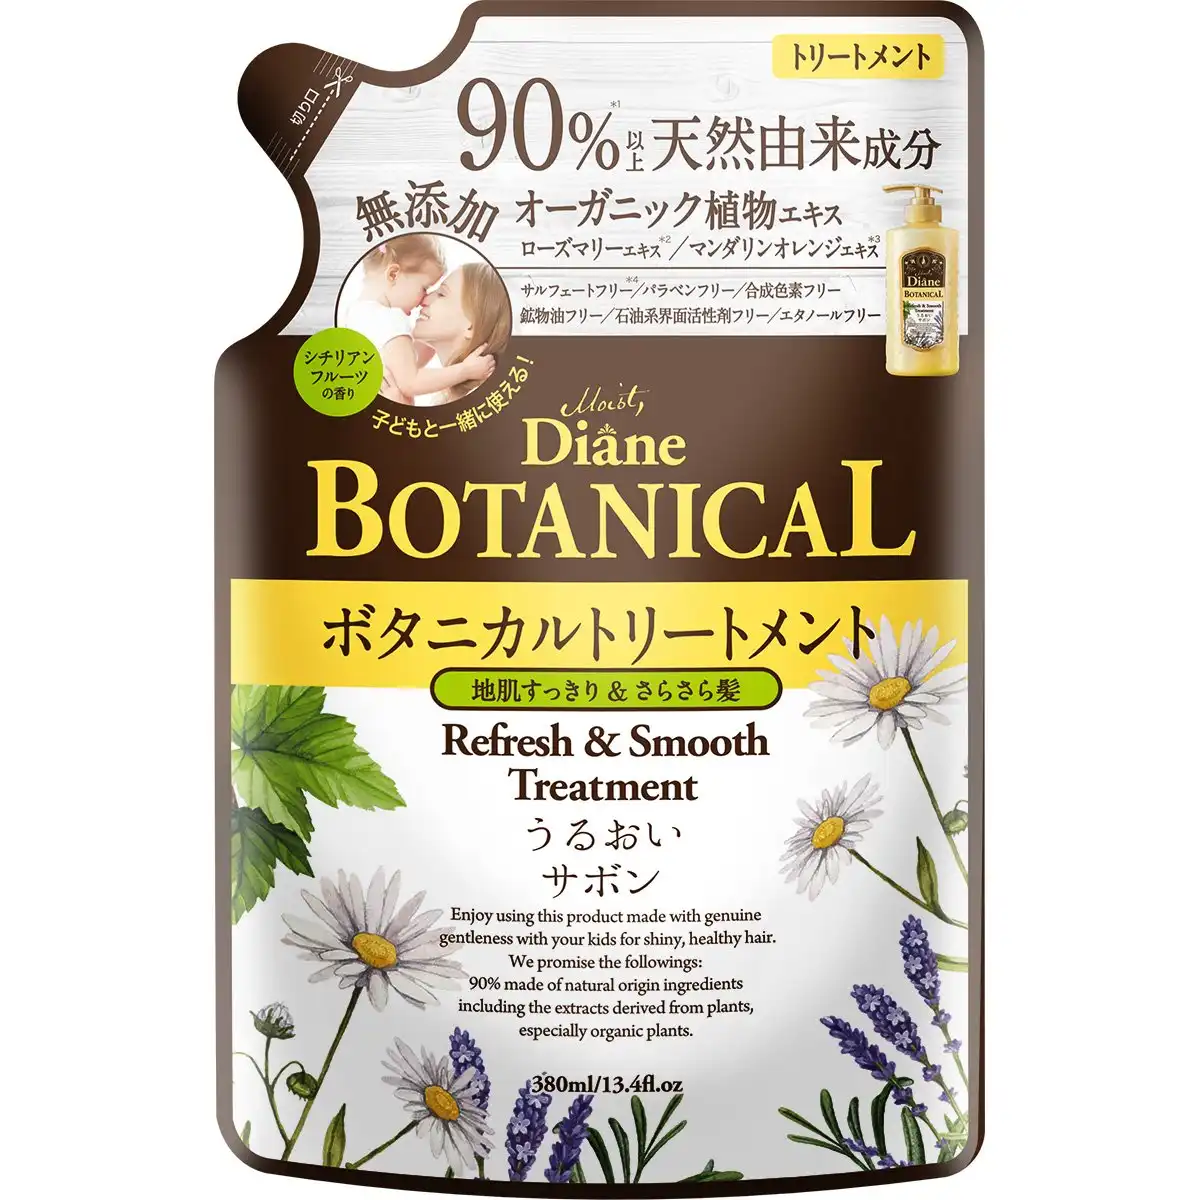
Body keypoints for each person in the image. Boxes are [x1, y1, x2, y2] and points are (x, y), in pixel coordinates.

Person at [339, 235, 495, 404]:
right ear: (393, 274)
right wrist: (466, 370)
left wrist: (431, 340)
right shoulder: (391, 318)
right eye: (424, 288)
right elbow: (410, 382)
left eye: (441, 294)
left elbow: (404, 364)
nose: (424, 299)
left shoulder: (354, 313)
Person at [409, 262, 512, 406]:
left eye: (441, 294)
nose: (423, 300)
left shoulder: (479, 403)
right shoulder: (448, 398)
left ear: (471, 326)